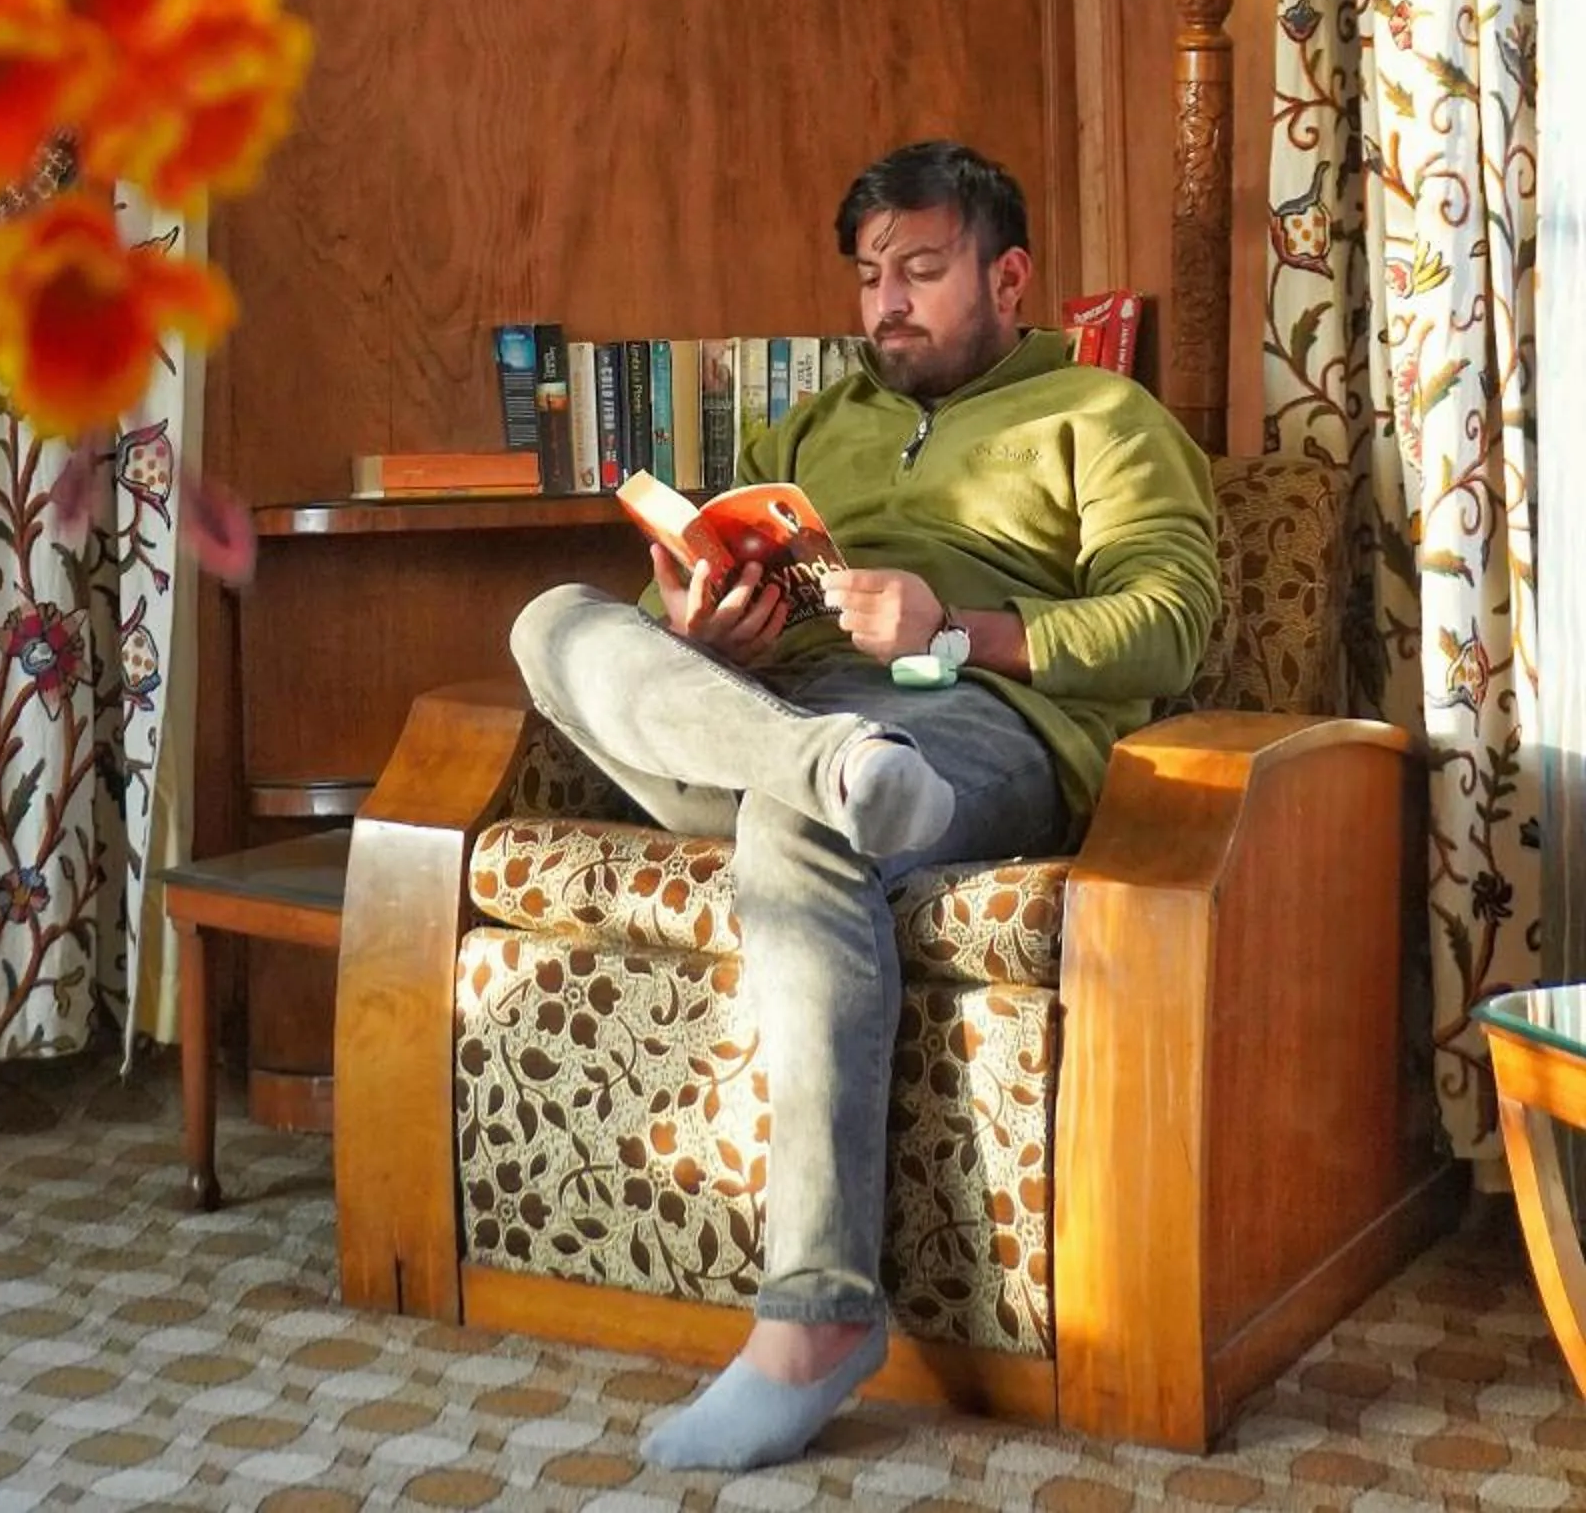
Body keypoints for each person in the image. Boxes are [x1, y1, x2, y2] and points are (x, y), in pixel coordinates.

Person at [510, 138, 1219, 1472]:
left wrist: (958, 630)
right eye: (871, 275)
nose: (887, 299)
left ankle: (817, 1320)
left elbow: (1171, 624)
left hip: (975, 727)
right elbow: (716, 599)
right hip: (787, 717)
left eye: (924, 270)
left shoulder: (1108, 422)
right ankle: (822, 766)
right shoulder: (811, 426)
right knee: (555, 622)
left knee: (801, 819)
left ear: (1009, 277)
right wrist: (711, 637)